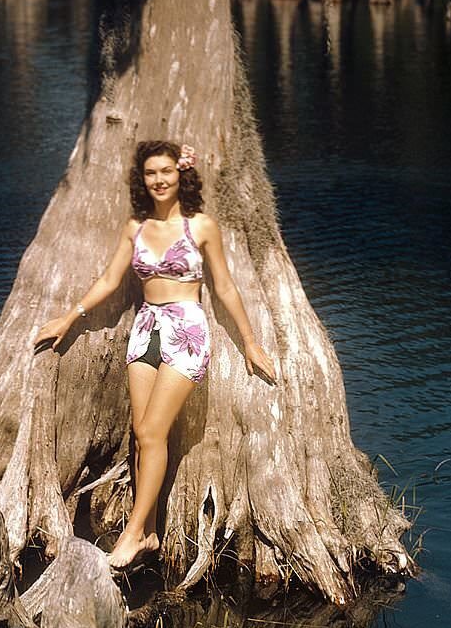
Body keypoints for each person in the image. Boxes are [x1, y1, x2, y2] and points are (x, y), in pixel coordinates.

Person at [34, 140, 276, 570]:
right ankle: (147, 536)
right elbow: (109, 280)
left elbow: (224, 288)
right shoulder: (135, 228)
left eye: (166, 171)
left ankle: (134, 530)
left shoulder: (201, 227)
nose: (159, 180)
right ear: (142, 180)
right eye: (151, 173)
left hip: (186, 331)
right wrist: (68, 318)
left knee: (150, 433)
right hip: (145, 330)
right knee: (142, 432)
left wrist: (250, 341)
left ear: (180, 175)